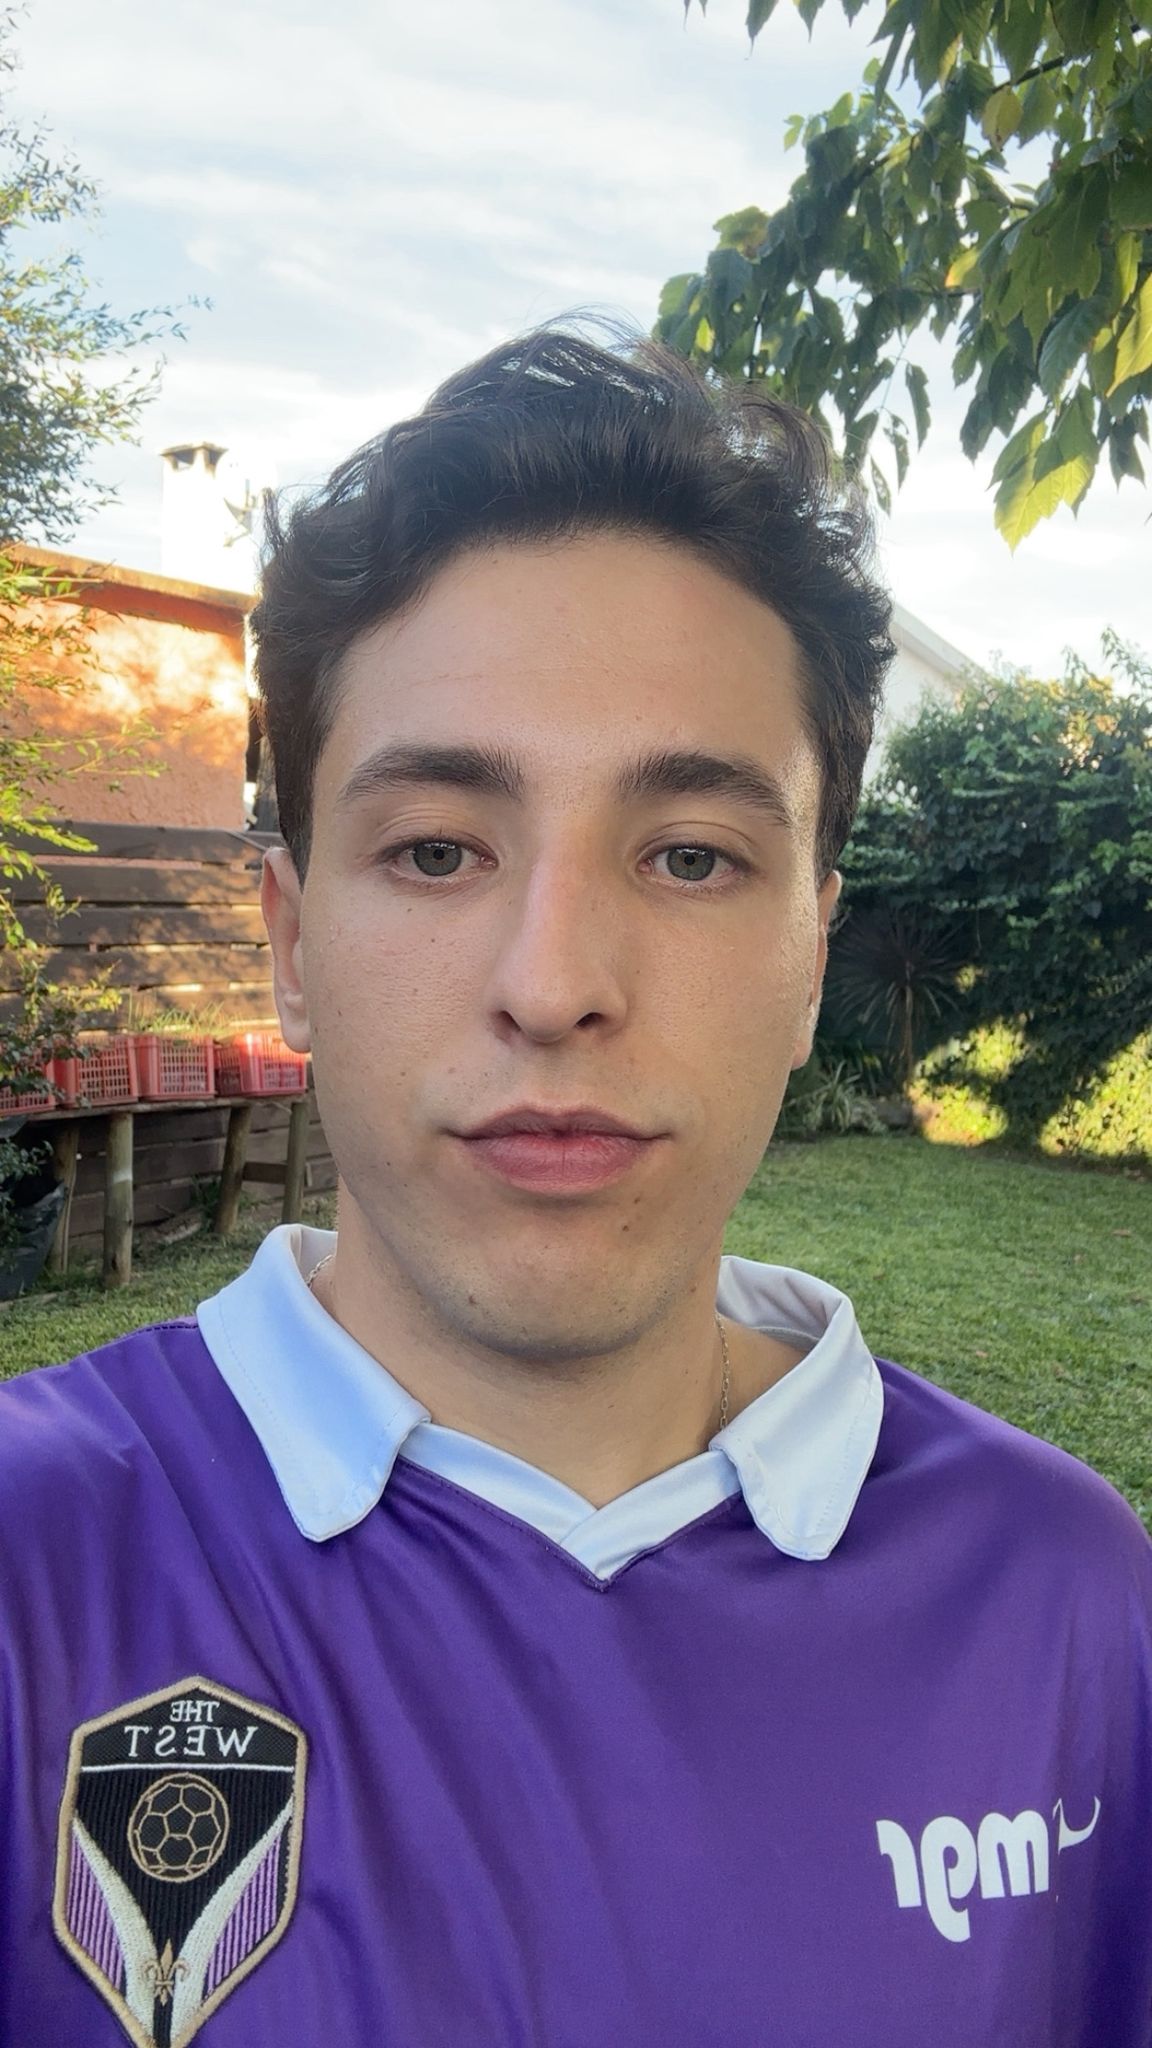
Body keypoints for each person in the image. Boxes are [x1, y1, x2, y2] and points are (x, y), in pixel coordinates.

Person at [1, 327, 1149, 2048]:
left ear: (813, 953)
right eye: (437, 850)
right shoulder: (31, 1567)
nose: (554, 986)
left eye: (689, 856)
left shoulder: (1068, 1603)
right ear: (294, 948)